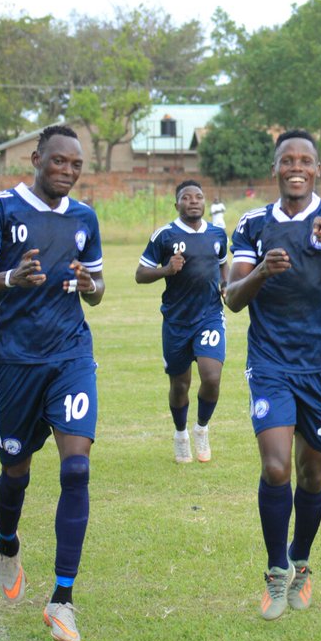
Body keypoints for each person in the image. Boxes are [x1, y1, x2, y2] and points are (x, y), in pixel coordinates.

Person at [0, 125, 104, 641]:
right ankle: (7, 542)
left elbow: (96, 287)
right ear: (36, 157)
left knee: (76, 468)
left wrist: (91, 285)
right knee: (15, 471)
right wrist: (11, 278)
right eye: (59, 162)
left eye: (76, 165)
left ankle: (63, 600)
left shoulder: (85, 217)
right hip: (17, 362)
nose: (67, 171)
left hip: (72, 355)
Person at [225, 130, 321, 620]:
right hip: (271, 363)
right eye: (287, 160)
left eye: (305, 160)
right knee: (277, 466)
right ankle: (277, 570)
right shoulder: (253, 223)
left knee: (313, 472)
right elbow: (232, 297)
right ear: (275, 168)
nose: (296, 167)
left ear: (318, 170)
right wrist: (261, 271)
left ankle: (302, 561)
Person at [136, 180, 229, 463]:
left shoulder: (217, 233)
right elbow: (140, 274)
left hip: (210, 316)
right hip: (176, 321)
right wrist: (167, 269)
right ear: (177, 205)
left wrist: (226, 285)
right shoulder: (164, 235)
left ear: (204, 202)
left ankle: (201, 428)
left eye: (198, 197)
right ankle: (180, 434)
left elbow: (224, 262)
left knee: (211, 377)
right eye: (186, 197)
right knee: (180, 385)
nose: (193, 201)